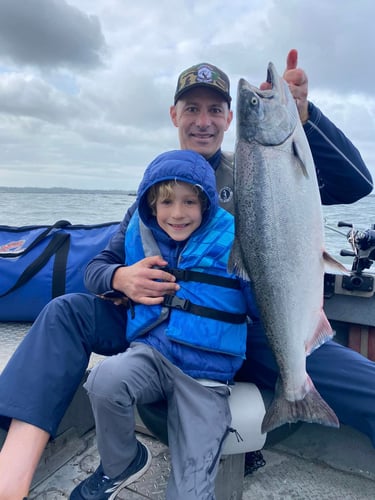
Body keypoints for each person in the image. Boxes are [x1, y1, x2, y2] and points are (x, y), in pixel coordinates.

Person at [0, 48, 373, 500]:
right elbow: (98, 267)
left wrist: (305, 115)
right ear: (174, 115)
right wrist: (120, 278)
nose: (203, 121)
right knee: (64, 313)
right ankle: (12, 472)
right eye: (192, 109)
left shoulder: (264, 166)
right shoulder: (155, 188)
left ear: (230, 118)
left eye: (214, 110)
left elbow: (356, 183)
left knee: (364, 385)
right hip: (154, 330)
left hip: (256, 329)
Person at [70, 149, 257, 499]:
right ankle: (121, 463)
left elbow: (260, 309)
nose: (178, 213)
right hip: (151, 355)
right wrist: (119, 277)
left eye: (189, 202)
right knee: (103, 381)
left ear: (206, 205)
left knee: (191, 490)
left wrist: (262, 282)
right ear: (152, 206)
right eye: (167, 202)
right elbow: (93, 272)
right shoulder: (139, 236)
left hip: (206, 379)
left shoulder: (235, 240)